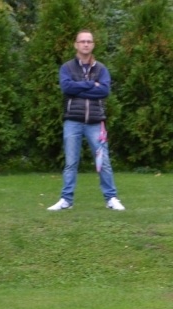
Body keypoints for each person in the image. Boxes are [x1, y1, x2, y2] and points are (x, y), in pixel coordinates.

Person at [48, 30, 125, 211]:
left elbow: (104, 91)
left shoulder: (101, 69)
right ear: (76, 45)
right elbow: (67, 88)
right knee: (71, 162)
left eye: (89, 41)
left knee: (103, 162)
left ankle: (111, 198)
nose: (85, 44)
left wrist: (79, 89)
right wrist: (91, 84)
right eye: (82, 41)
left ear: (93, 45)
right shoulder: (67, 68)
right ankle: (66, 200)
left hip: (95, 122)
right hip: (72, 121)